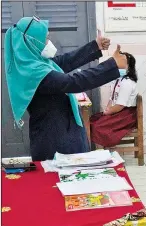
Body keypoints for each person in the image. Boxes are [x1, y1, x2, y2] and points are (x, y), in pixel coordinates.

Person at [4, 17, 127, 161]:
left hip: (61, 133)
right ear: (32, 42)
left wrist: (95, 46)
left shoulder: (35, 64)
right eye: (45, 39)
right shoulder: (34, 72)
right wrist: (112, 65)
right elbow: (73, 82)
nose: (48, 43)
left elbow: (64, 61)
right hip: (54, 142)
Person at [90, 52, 138, 148]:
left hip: (126, 115)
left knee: (96, 126)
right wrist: (107, 111)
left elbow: (120, 105)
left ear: (129, 66)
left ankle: (105, 149)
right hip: (117, 111)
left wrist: (107, 113)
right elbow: (112, 99)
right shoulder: (118, 80)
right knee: (92, 120)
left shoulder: (127, 83)